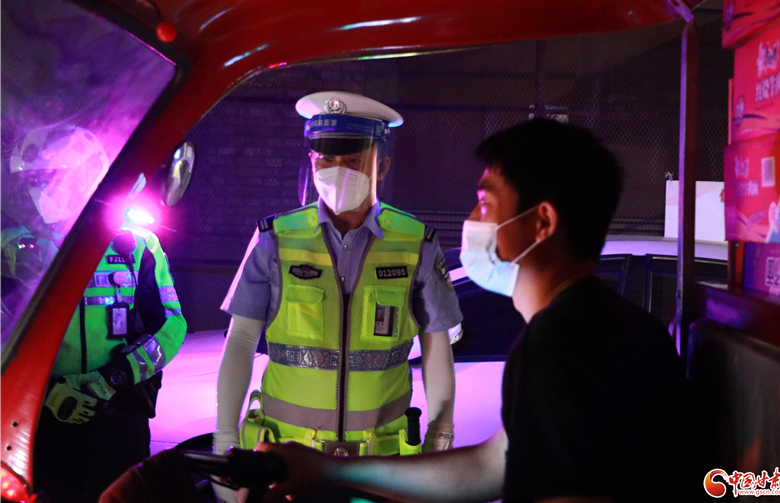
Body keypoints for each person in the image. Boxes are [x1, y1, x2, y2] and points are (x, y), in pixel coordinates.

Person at [252, 118, 695, 503]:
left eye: (485, 202)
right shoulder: (615, 325)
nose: (472, 219)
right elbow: (492, 465)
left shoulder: (559, 346)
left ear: (542, 222)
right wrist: (327, 469)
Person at [214, 92, 463, 500]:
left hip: (381, 464)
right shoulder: (274, 240)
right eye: (326, 159)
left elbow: (436, 344)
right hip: (285, 459)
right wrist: (225, 437)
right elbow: (240, 339)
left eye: (352, 160)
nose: (337, 171)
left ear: (381, 165)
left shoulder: (416, 243)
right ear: (311, 160)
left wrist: (441, 438)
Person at [33, 222, 187, 503]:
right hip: (41, 418)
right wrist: (45, 391)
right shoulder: (14, 242)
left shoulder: (139, 243)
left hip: (117, 411)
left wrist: (114, 377)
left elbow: (171, 324)